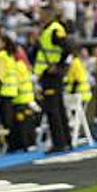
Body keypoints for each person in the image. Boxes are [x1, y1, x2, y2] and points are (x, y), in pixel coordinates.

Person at [34, 12, 71, 154]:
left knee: (52, 109)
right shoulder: (49, 30)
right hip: (49, 74)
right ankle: (66, 140)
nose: (40, 17)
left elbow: (67, 47)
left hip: (51, 75)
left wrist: (58, 64)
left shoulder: (54, 30)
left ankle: (59, 143)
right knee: (59, 108)